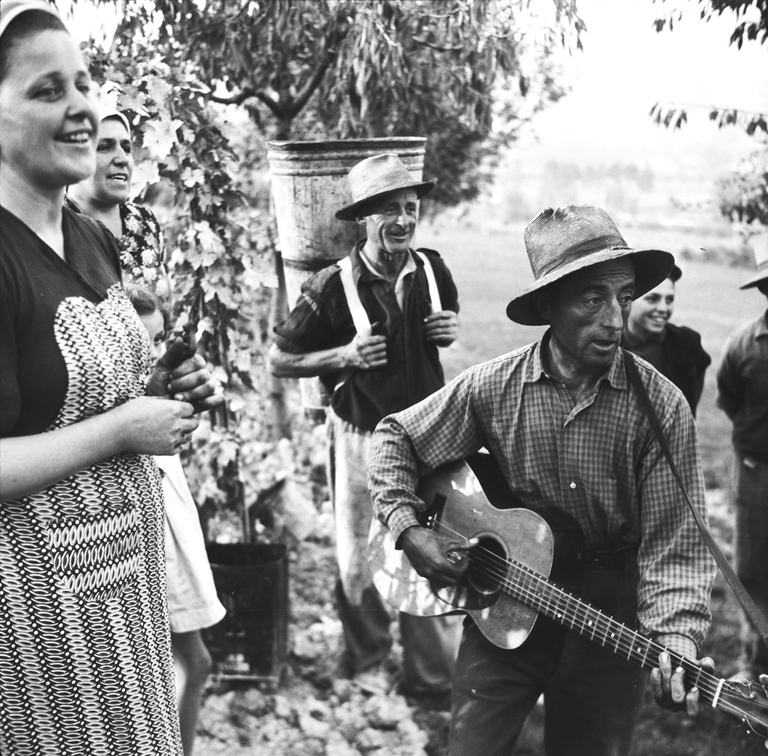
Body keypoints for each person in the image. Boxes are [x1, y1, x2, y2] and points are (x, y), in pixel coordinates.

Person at [368, 204, 717, 756]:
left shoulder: (662, 407)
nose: (613, 319)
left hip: (607, 613)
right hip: (502, 597)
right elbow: (395, 438)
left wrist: (675, 636)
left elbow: (675, 543)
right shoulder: (493, 386)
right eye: (592, 299)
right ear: (549, 305)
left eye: (623, 298)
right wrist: (410, 529)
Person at [0, 2, 220, 753]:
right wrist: (125, 428)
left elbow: (74, 387)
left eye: (85, 83)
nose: (81, 108)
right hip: (35, 617)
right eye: (46, 89)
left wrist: (163, 382)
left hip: (123, 586)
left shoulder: (89, 236)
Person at [269, 153, 462, 699]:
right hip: (362, 437)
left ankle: (429, 676)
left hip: (429, 434)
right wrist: (345, 356)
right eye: (387, 210)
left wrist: (447, 329)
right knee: (361, 551)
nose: (402, 220)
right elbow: (279, 360)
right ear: (363, 219)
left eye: (409, 207)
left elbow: (440, 333)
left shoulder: (432, 270)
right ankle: (367, 662)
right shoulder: (333, 286)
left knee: (432, 543)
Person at [67, 106, 224, 756]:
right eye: (103, 145)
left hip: (156, 460)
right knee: (150, 671)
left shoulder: (141, 229)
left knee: (190, 661)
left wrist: (193, 377)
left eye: (126, 144)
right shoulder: (57, 244)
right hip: (97, 481)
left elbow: (165, 344)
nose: (119, 157)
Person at [126, 286, 226, 756]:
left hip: (169, 505)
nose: (150, 356)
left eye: (158, 340)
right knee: (183, 664)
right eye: (136, 344)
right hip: (144, 522)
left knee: (194, 661)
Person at [716, 242, 768, 683]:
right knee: (753, 568)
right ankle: (754, 663)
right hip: (757, 473)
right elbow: (731, 400)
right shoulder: (744, 344)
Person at [65, 107, 171, 298]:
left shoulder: (145, 222)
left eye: (127, 148)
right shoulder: (55, 229)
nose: (123, 159)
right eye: (104, 146)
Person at [621, 263, 711, 415]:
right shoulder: (610, 345)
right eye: (652, 299)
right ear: (629, 299)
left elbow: (698, 374)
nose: (663, 308)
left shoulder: (686, 342)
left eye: (669, 300)